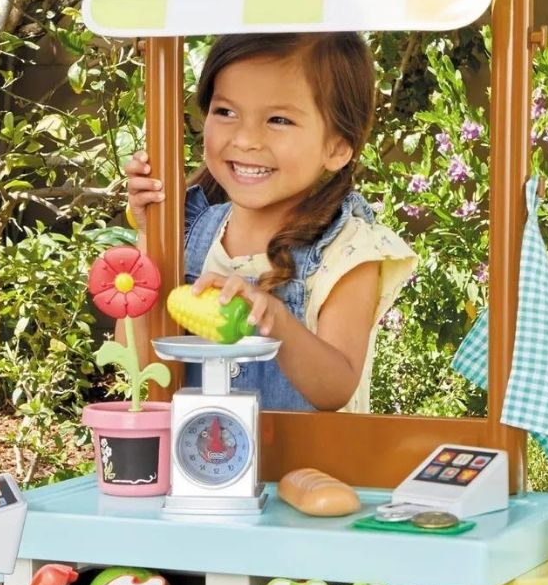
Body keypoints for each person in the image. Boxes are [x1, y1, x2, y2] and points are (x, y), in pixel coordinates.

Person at [125, 33, 416, 412]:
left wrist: (274, 318)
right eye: (225, 112)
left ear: (338, 147)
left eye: (278, 120)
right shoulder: (190, 232)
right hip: (200, 463)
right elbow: (142, 367)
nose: (245, 139)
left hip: (312, 469)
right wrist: (150, 239)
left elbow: (337, 386)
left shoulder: (345, 251)